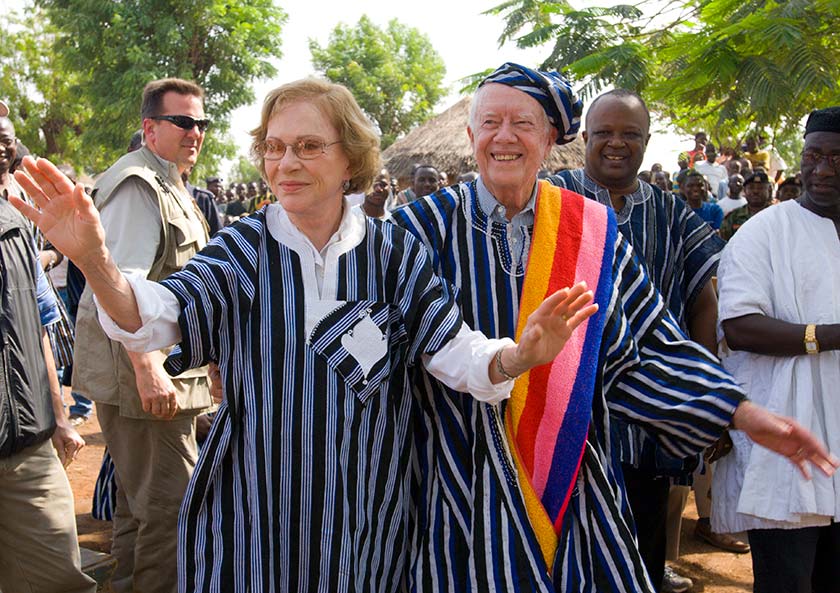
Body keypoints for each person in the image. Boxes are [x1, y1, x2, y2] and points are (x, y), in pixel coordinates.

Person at [13, 78, 600, 593]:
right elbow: (155, 315)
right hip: (254, 513)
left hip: (366, 515)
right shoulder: (244, 249)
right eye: (274, 147)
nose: (285, 162)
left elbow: (454, 351)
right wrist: (94, 259)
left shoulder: (393, 253)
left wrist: (517, 356)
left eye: (308, 146)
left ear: (351, 160)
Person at [390, 64, 836, 593]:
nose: (504, 137)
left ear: (551, 139)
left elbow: (646, 349)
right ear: (470, 136)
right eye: (490, 122)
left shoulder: (590, 233)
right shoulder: (417, 229)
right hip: (454, 483)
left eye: (523, 124)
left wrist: (739, 412)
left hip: (573, 483)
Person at [549, 88, 725, 592]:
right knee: (563, 549)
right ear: (585, 137)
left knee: (643, 545)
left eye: (630, 134)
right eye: (604, 132)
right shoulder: (552, 199)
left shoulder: (671, 214)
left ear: (647, 141)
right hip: (565, 410)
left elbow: (702, 301)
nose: (616, 143)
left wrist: (698, 390)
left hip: (647, 417)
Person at [72, 78, 213, 593]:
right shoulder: (138, 184)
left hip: (161, 373)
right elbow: (121, 286)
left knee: (139, 507)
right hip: (146, 380)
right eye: (182, 122)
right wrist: (149, 369)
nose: (194, 133)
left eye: (200, 123)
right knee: (171, 513)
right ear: (150, 128)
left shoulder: (169, 179)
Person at [712, 106, 840, 593]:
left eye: (836, 158)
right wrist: (829, 336)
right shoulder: (764, 231)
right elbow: (740, 327)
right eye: (813, 156)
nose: (822, 169)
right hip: (785, 444)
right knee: (787, 581)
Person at [0, 100, 95, 593]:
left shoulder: (15, 223)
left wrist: (58, 419)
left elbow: (37, 327)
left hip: (28, 445)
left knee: (61, 578)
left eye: (6, 131)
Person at [719, 170, 774, 241]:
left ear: (769, 191)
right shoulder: (734, 216)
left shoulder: (776, 215)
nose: (755, 191)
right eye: (751, 188)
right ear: (744, 191)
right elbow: (724, 243)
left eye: (760, 188)